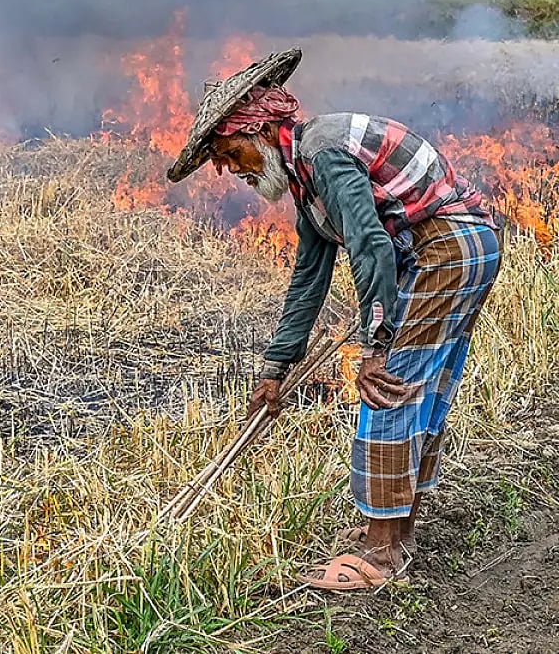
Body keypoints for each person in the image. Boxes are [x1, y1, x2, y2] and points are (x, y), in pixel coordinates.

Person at [166, 48, 501, 590]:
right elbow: (309, 277)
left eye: (227, 154)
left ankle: (380, 556)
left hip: (445, 249)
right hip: (461, 247)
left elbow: (371, 246)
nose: (228, 170)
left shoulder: (322, 153)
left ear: (256, 132)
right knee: (420, 387)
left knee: (387, 384)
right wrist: (276, 367)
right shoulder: (306, 178)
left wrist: (374, 345)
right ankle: (398, 535)